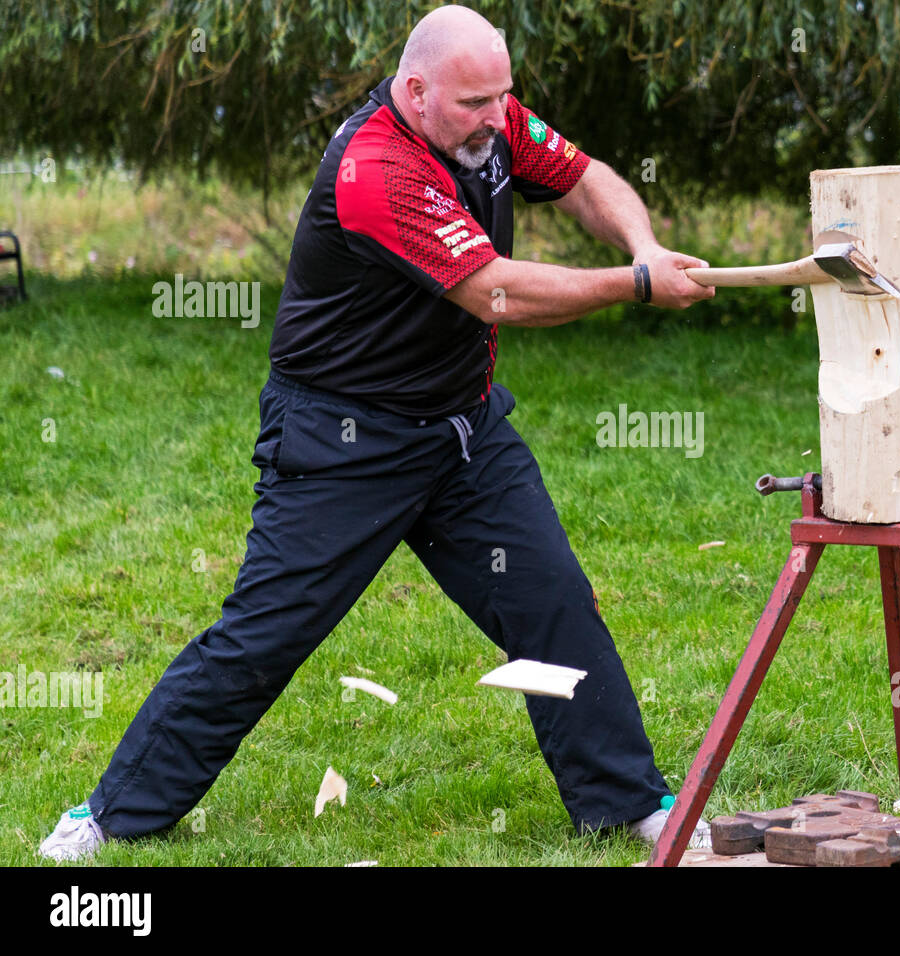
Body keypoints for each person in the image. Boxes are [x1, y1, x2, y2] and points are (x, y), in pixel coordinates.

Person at [39, 4, 715, 862]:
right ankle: (105, 817)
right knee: (262, 639)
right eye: (475, 104)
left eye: (503, 97)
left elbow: (582, 177)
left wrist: (644, 243)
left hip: (461, 429)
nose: (496, 118)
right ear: (417, 89)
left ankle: (628, 804)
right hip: (342, 441)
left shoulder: (490, 116)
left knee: (551, 599)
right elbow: (496, 292)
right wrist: (636, 285)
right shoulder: (376, 170)